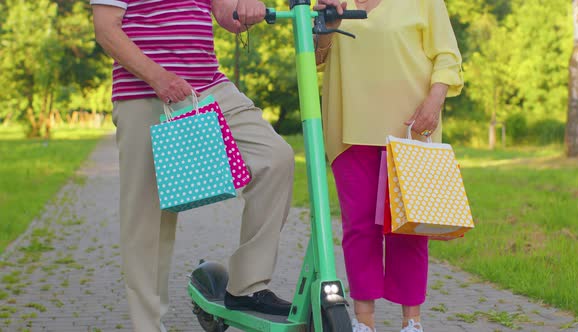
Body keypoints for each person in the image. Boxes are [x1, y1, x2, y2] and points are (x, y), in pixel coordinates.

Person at [90, 1, 295, 331]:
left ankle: (246, 286)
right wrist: (158, 77)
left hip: (208, 87)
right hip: (144, 92)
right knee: (148, 222)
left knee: (276, 158)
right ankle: (148, 325)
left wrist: (249, 9)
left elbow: (229, 16)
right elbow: (106, 29)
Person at [314, 0, 464, 331]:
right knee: (360, 228)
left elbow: (447, 55)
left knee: (409, 229)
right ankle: (364, 321)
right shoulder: (332, 1)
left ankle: (412, 322)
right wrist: (326, 25)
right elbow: (314, 58)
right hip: (350, 127)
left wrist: (435, 101)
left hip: (412, 126)